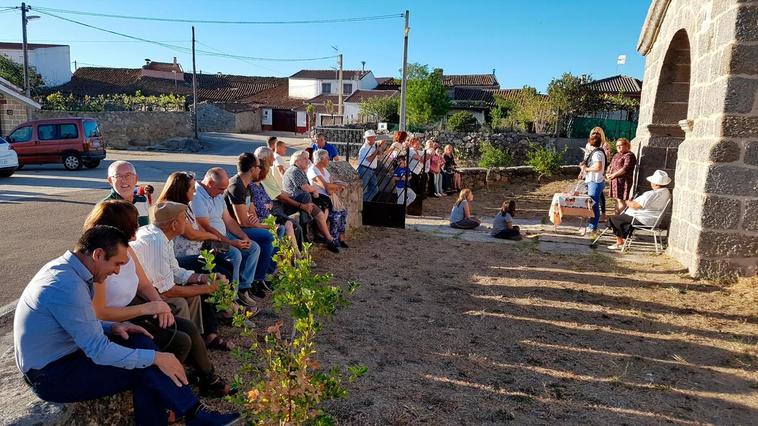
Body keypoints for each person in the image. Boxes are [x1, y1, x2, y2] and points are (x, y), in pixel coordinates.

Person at [14, 225, 238, 425]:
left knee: (141, 340)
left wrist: (110, 327)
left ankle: (190, 413)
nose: (117, 271)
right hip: (51, 375)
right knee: (145, 366)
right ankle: (194, 414)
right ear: (98, 254)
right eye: (116, 264)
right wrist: (158, 357)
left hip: (65, 356)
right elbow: (98, 351)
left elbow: (75, 320)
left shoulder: (70, 271)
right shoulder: (65, 285)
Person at [83, 200, 232, 397]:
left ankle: (208, 378)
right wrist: (148, 308)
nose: (138, 229)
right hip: (116, 322)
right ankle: (171, 395)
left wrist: (160, 305)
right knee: (180, 340)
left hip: (132, 308)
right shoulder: (100, 260)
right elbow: (100, 312)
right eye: (133, 224)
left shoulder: (126, 248)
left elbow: (144, 284)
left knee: (187, 327)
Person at [131, 201, 234, 352]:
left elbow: (176, 271)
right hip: (139, 292)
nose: (187, 223)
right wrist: (209, 288)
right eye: (184, 219)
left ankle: (197, 341)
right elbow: (168, 291)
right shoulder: (157, 241)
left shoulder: (161, 235)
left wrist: (204, 279)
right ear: (174, 224)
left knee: (195, 292)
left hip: (150, 285)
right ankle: (187, 346)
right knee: (182, 301)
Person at [155, 172, 255, 307]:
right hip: (182, 256)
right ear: (182, 190)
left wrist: (218, 240)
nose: (195, 191)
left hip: (197, 250)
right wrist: (215, 237)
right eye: (192, 188)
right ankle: (229, 308)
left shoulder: (186, 205)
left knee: (227, 265)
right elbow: (191, 234)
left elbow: (199, 228)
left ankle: (230, 303)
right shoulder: (172, 208)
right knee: (222, 270)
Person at [191, 168, 265, 299]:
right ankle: (233, 297)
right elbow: (205, 226)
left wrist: (244, 236)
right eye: (221, 189)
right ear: (210, 183)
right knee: (235, 254)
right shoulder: (197, 196)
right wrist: (230, 242)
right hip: (210, 240)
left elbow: (229, 220)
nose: (223, 192)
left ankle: (244, 288)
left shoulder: (217, 194)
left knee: (253, 247)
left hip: (223, 236)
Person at [224, 153, 277, 286]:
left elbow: (251, 214)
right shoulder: (236, 186)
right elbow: (242, 221)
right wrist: (266, 227)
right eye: (258, 167)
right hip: (234, 228)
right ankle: (257, 279)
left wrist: (258, 223)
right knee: (270, 235)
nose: (260, 169)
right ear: (252, 169)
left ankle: (264, 274)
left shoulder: (247, 186)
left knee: (277, 232)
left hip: (246, 225)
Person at [282, 150, 341, 253]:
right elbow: (305, 188)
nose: (307, 160)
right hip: (294, 201)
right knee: (310, 200)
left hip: (303, 200)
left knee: (321, 214)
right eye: (304, 158)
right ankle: (313, 231)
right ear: (297, 160)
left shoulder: (300, 171)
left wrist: (313, 190)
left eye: (308, 158)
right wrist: (314, 190)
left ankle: (329, 239)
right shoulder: (294, 171)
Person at [607, 170, 671, 250]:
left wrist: (627, 201)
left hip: (642, 219)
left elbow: (636, 206)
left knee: (614, 218)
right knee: (623, 219)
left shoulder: (652, 194)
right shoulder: (666, 192)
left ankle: (620, 243)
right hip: (652, 219)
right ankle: (624, 239)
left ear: (656, 184)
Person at [249, 161, 302, 258]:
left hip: (268, 215)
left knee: (290, 224)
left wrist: (269, 204)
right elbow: (255, 207)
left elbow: (269, 200)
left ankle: (296, 253)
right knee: (285, 226)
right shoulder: (251, 186)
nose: (267, 175)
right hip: (262, 218)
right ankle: (293, 255)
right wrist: (265, 206)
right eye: (266, 172)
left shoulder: (260, 185)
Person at [308, 148, 349, 248]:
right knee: (336, 216)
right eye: (327, 158)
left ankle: (340, 239)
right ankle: (333, 241)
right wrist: (338, 187)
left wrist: (333, 187)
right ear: (321, 159)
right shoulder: (313, 170)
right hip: (322, 197)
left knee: (343, 213)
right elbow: (326, 187)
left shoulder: (325, 170)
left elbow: (331, 185)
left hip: (330, 196)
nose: (329, 160)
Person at [579, 127, 607, 235]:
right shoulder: (597, 152)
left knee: (594, 205)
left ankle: (593, 227)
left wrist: (586, 169)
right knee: (594, 205)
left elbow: (598, 167)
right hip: (594, 181)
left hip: (595, 182)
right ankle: (592, 226)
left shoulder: (597, 153)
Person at [104, 160, 149, 226]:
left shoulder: (142, 200)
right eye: (118, 176)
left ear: (136, 179)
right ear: (110, 180)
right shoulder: (105, 207)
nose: (124, 180)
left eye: (128, 175)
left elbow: (145, 227)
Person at [607, 137, 637, 214]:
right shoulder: (617, 155)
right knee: (616, 200)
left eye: (620, 145)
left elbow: (625, 168)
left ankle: (619, 218)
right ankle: (615, 218)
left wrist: (614, 175)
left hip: (623, 181)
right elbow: (611, 165)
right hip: (614, 181)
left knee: (621, 200)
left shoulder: (629, 155)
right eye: (617, 146)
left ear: (627, 145)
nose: (618, 147)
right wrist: (608, 173)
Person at [358, 130, 380, 201]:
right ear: (369, 138)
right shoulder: (365, 148)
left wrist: (379, 148)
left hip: (370, 170)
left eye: (374, 138)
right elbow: (369, 159)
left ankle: (364, 202)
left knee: (375, 190)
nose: (374, 139)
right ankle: (362, 203)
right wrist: (376, 151)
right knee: (363, 189)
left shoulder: (372, 146)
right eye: (373, 138)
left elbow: (379, 152)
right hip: (365, 169)